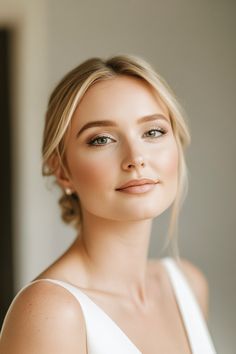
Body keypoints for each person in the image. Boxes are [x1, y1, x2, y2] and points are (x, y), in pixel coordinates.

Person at [0, 54, 217, 353]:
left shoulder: (188, 285)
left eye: (153, 132)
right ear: (62, 170)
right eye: (101, 139)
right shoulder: (51, 313)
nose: (135, 158)